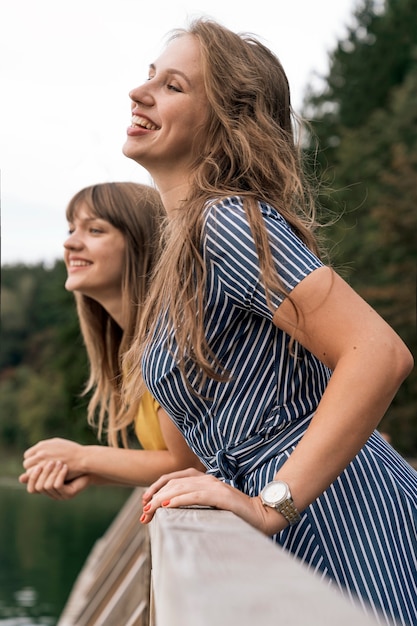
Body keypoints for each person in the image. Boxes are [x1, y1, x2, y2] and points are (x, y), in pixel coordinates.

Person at [120, 18, 417, 626]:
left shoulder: (226, 220)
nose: (140, 92)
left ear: (228, 121)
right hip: (299, 518)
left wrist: (270, 505)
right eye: (150, 76)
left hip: (342, 514)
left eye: (173, 85)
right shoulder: (184, 251)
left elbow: (378, 354)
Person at [19, 182, 204, 499]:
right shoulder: (135, 348)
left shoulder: (169, 340)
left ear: (141, 244)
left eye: (94, 230)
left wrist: (83, 457)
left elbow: (191, 465)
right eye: (70, 230)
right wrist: (90, 473)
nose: (71, 244)